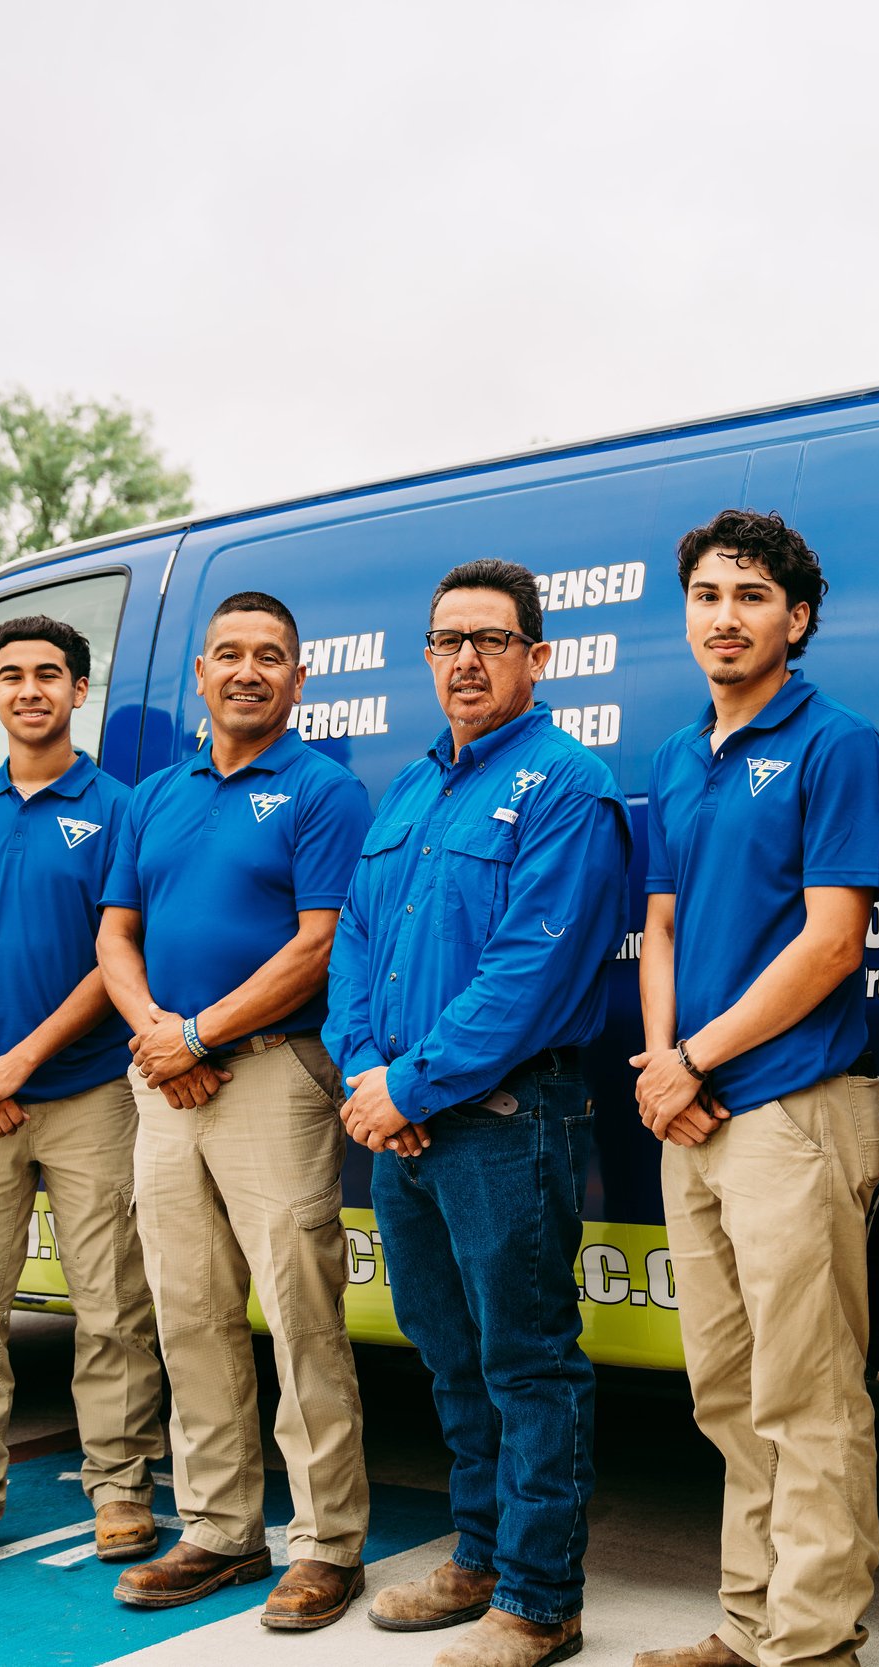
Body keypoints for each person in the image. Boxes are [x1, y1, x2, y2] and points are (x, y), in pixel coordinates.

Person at [324, 558, 630, 1667]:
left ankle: (542, 1601)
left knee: (527, 1361)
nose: (466, 659)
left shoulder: (566, 784)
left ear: (536, 656)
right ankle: (479, 1556)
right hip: (405, 1126)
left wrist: (405, 1086)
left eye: (491, 640)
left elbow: (529, 972)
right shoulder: (410, 790)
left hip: (505, 1118)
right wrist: (369, 1073)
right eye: (447, 640)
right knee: (448, 1353)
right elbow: (355, 945)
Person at [630, 511, 879, 1667]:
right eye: (706, 594)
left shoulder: (836, 744)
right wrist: (662, 1063)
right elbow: (660, 925)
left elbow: (833, 940)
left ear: (797, 616)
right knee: (726, 1390)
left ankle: (815, 1639)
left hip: (793, 1107)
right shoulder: (676, 756)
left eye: (750, 595)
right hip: (689, 1112)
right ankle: (750, 1621)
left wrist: (696, 1057)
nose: (724, 616)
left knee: (809, 1389)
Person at [96, 591, 375, 1627]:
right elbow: (115, 935)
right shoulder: (153, 797)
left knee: (302, 1316)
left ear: (299, 679)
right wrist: (158, 1036)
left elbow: (320, 944)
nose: (247, 671)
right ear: (200, 675)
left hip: (269, 1073)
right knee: (190, 1311)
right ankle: (219, 1529)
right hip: (166, 1082)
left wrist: (200, 1035)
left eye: (269, 656)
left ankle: (327, 1542)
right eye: (229, 654)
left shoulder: (323, 790)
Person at [0, 614, 164, 1583]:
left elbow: (114, 955)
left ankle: (121, 1488)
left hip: (91, 1092)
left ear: (78, 691)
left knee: (114, 1306)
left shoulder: (120, 809)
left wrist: (17, 1063)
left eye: (48, 673)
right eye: (10, 675)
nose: (29, 689)